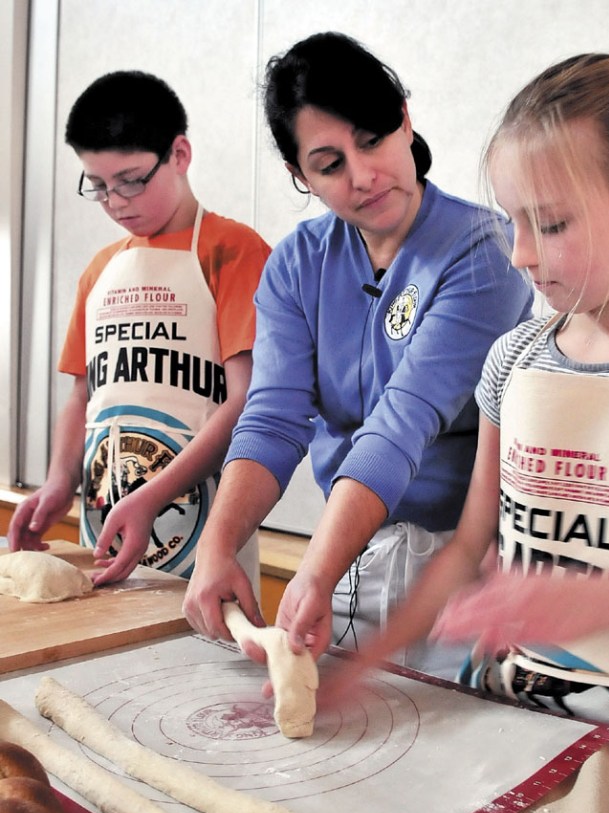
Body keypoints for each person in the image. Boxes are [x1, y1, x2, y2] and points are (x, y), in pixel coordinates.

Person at [344, 52, 609, 765]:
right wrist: (361, 668)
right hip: (501, 732)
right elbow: (468, 548)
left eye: (551, 224)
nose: (519, 255)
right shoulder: (514, 360)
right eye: (513, 222)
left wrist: (596, 603)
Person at [182, 32, 533, 678]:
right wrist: (217, 544)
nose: (363, 176)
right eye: (329, 163)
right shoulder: (296, 266)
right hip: (349, 562)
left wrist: (317, 565)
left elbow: (401, 422)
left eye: (371, 140)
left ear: (404, 119)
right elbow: (272, 419)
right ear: (298, 175)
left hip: (460, 580)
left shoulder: (483, 252)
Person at [8, 70, 271, 583]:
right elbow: (82, 396)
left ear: (179, 154)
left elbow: (247, 402)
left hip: (206, 531)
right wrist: (58, 482)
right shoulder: (100, 270)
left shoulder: (233, 251)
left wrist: (154, 495)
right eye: (99, 186)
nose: (115, 201)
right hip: (104, 520)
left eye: (130, 181)